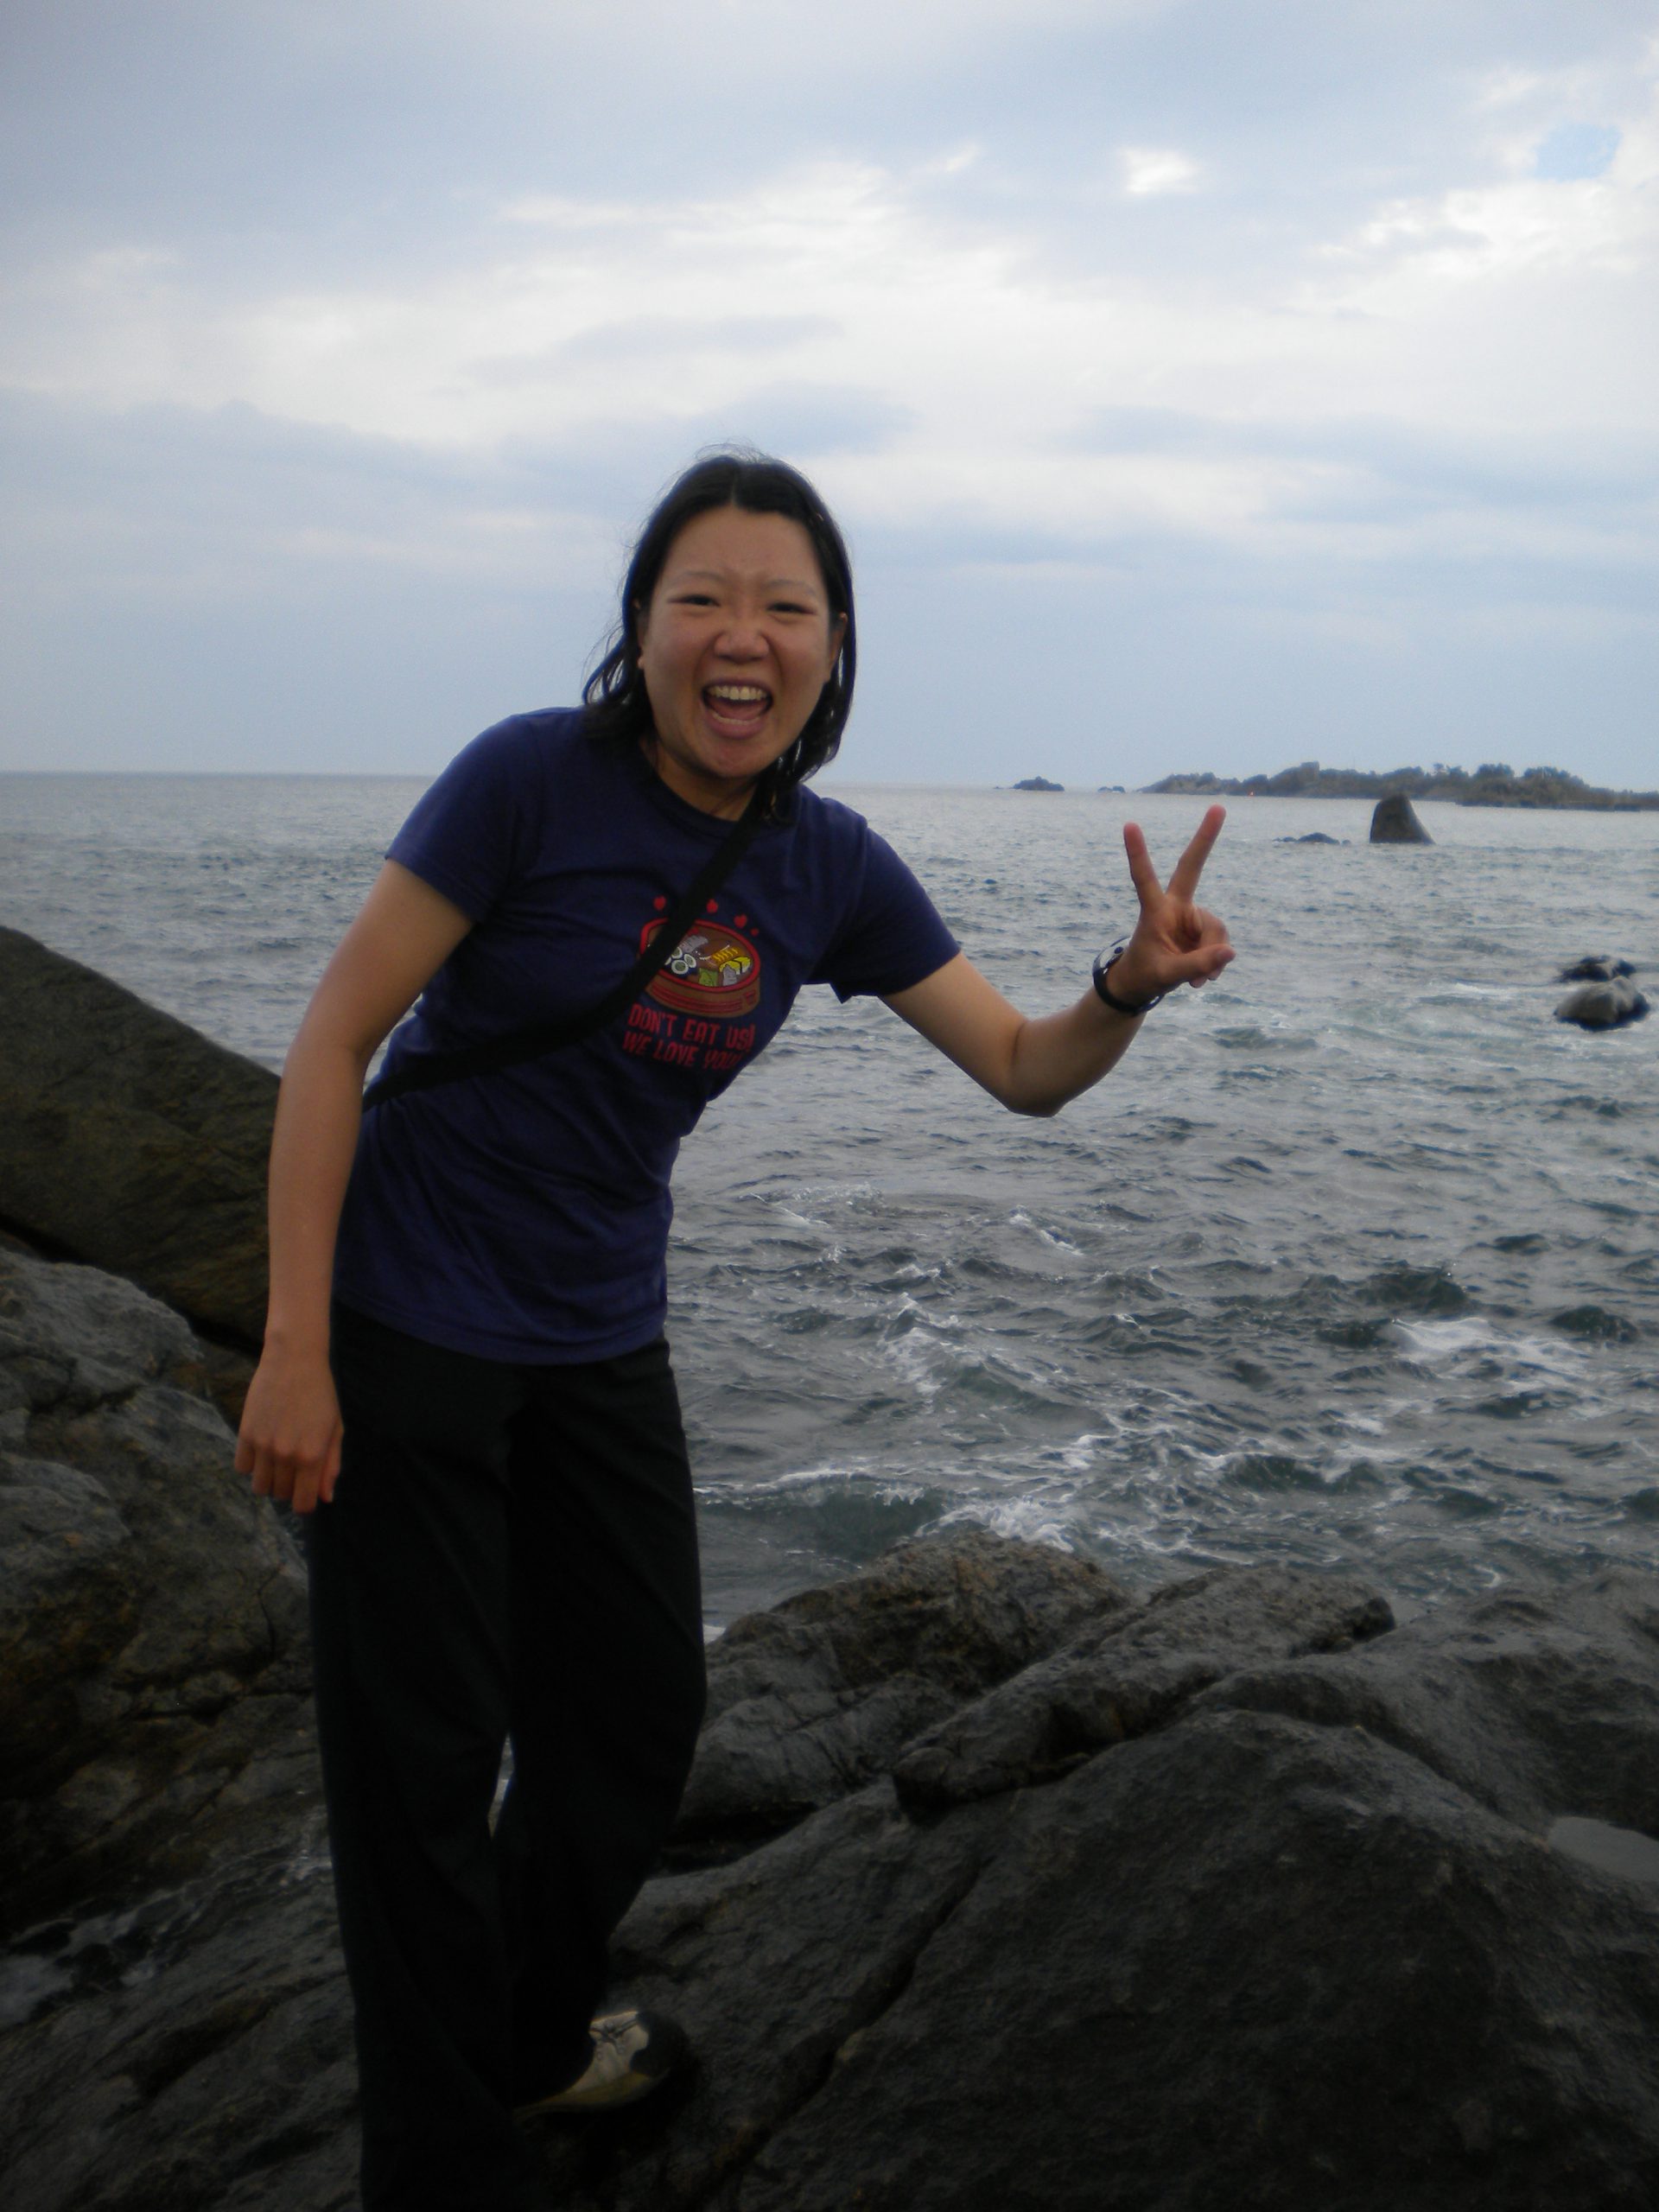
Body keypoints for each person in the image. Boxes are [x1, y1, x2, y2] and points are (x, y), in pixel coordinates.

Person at [234, 450, 1232, 2212]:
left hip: (597, 1331)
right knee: (422, 1768)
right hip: (406, 1315)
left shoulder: (823, 864)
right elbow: (334, 1044)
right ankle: (440, 2165)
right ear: (642, 627)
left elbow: (1022, 1068)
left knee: (635, 1719)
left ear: (833, 648)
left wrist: (1125, 985)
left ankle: (529, 2033)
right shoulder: (526, 780)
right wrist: (294, 1346)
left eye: (785, 606)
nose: (741, 635)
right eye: (702, 597)